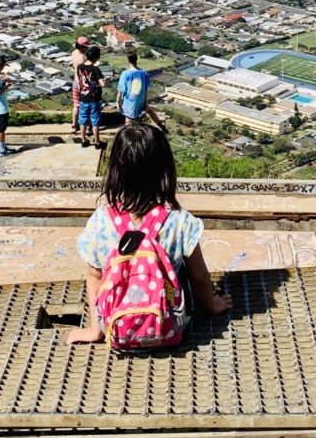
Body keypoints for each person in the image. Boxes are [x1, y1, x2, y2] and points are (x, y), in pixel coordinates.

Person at [67, 122, 233, 345]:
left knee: (96, 273)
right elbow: (200, 277)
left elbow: (95, 276)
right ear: (164, 169)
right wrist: (212, 305)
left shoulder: (101, 220)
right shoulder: (179, 220)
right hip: (169, 324)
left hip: (115, 325)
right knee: (179, 270)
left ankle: (99, 327)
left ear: (115, 170)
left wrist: (96, 330)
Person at [115, 51, 166, 130]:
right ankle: (162, 126)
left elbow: (121, 89)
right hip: (140, 99)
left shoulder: (125, 73)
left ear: (128, 60)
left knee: (128, 118)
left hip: (130, 100)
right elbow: (145, 88)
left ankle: (127, 135)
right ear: (136, 59)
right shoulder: (143, 72)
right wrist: (145, 101)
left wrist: (117, 101)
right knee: (149, 111)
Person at [76, 45, 105, 150]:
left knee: (82, 120)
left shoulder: (80, 67)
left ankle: (84, 140)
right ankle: (97, 142)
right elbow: (102, 84)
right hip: (94, 99)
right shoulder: (96, 69)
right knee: (95, 121)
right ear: (96, 57)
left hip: (83, 97)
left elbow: (81, 80)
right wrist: (104, 81)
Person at [70, 36, 89, 134]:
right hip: (82, 83)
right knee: (87, 105)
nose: (87, 48)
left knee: (76, 105)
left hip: (75, 82)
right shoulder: (83, 57)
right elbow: (85, 73)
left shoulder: (74, 53)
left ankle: (74, 126)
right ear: (82, 46)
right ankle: (88, 126)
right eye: (86, 46)